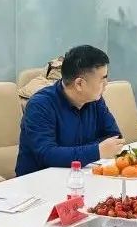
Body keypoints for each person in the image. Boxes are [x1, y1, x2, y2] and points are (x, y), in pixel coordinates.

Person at [15, 45, 123, 176]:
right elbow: (47, 155)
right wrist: (97, 151)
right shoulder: (40, 105)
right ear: (79, 84)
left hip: (81, 175)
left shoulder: (95, 100)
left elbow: (115, 138)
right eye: (102, 79)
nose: (106, 84)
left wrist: (72, 153)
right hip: (38, 181)